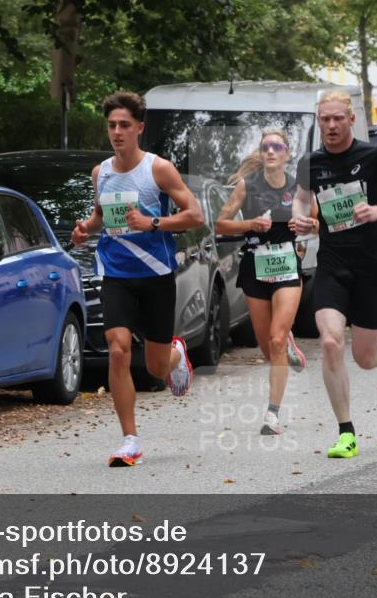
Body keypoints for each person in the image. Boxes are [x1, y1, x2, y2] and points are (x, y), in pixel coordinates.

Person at [71, 91, 204, 467]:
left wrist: (153, 223)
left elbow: (195, 215)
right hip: (115, 272)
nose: (117, 132)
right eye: (112, 125)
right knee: (117, 348)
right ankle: (129, 439)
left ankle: (176, 356)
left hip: (156, 275)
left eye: (124, 125)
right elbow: (99, 215)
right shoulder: (101, 172)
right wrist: (85, 229)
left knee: (155, 368)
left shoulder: (158, 169)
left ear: (139, 128)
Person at [291, 91, 377, 459]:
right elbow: (300, 198)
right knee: (330, 342)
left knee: (364, 357)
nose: (330, 126)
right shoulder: (310, 162)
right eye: (324, 119)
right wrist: (300, 217)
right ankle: (346, 432)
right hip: (331, 262)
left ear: (350, 120)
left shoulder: (374, 156)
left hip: (371, 264)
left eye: (336, 119)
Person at [215, 129, 317, 435]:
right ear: (261, 154)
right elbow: (220, 223)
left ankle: (272, 415)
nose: (271, 151)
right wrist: (250, 224)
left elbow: (318, 223)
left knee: (274, 340)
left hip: (286, 264)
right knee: (267, 346)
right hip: (255, 266)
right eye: (265, 147)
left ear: (287, 154)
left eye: (277, 147)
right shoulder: (247, 186)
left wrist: (308, 223)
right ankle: (284, 342)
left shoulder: (300, 189)